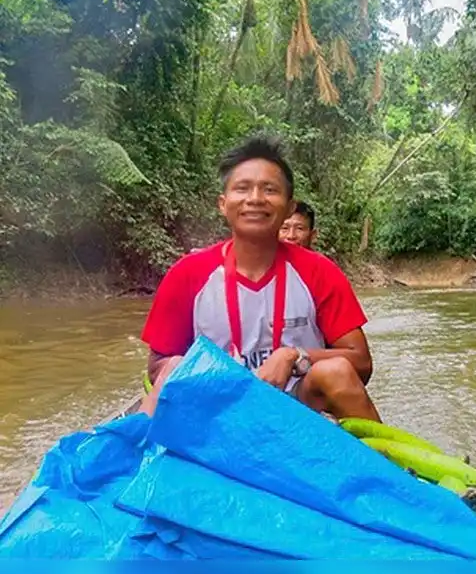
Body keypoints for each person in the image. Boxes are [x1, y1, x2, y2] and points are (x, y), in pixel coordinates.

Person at [137, 135, 381, 423]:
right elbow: (158, 366)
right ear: (223, 203)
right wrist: (218, 375)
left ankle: (388, 465)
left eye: (269, 190)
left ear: (289, 207)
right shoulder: (188, 273)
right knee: (174, 367)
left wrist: (294, 356)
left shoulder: (319, 272)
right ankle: (138, 455)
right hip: (218, 407)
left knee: (335, 371)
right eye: (242, 188)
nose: (255, 199)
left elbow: (361, 363)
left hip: (299, 406)